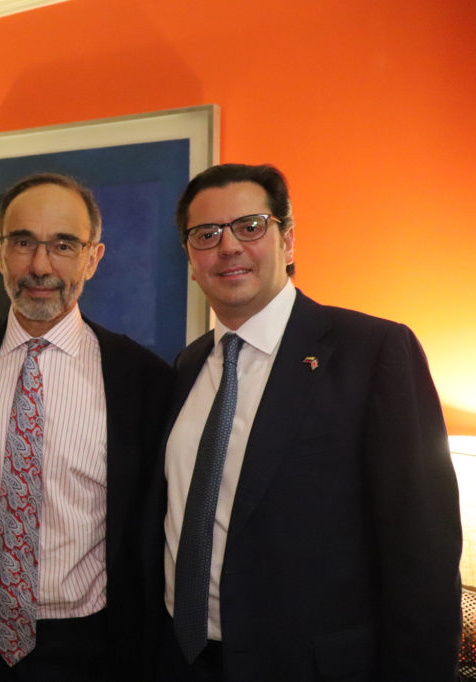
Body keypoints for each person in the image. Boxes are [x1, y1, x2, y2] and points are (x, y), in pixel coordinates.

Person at [151, 163, 462, 680]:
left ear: (287, 240)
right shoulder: (187, 366)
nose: (228, 247)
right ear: (190, 259)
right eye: (206, 235)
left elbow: (423, 558)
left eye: (249, 227)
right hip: (182, 658)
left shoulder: (374, 352)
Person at [0, 172, 174, 681]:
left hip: (90, 648)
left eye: (63, 245)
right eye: (23, 243)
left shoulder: (141, 378)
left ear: (92, 258)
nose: (40, 266)